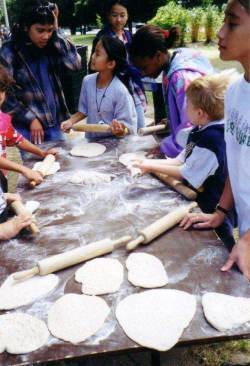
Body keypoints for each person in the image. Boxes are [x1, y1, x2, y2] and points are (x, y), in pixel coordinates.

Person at [180, 0, 250, 280]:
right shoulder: (235, 94)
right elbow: (237, 159)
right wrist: (221, 210)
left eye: (232, 23)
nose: (220, 32)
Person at [133, 72, 235, 247]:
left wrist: (150, 166)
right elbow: (180, 160)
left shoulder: (212, 140)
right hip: (200, 200)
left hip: (214, 206)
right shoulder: (200, 129)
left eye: (187, 104)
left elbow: (185, 173)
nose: (184, 108)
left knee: (219, 244)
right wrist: (146, 163)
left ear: (200, 112)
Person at [0, 0, 81, 145]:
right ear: (26, 27)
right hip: (29, 128)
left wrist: (56, 32)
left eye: (49, 30)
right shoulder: (10, 50)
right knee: (37, 167)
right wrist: (29, 118)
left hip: (57, 123)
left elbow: (74, 65)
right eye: (40, 30)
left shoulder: (52, 43)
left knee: (62, 164)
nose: (45, 36)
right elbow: (3, 94)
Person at [129, 25, 214, 158]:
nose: (142, 73)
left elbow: (192, 126)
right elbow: (184, 113)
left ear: (158, 56)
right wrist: (172, 121)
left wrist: (165, 147)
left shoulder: (181, 77)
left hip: (206, 149)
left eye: (144, 68)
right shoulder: (172, 64)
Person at [61, 35, 137, 139]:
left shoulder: (120, 91)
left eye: (97, 54)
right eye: (94, 52)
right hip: (91, 142)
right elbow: (83, 111)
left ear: (110, 64)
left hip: (113, 147)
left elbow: (127, 128)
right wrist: (70, 121)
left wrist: (119, 130)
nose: (92, 56)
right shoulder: (87, 81)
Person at [90, 0, 146, 130]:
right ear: (108, 15)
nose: (119, 20)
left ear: (127, 15)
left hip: (132, 88)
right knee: (120, 131)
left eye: (123, 15)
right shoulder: (103, 38)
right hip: (113, 91)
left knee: (140, 128)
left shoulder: (128, 35)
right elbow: (94, 66)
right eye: (114, 15)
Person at [0, 64, 56, 190]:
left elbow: (18, 139)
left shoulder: (1, 118)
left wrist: (41, 152)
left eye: (2, 90)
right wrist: (24, 170)